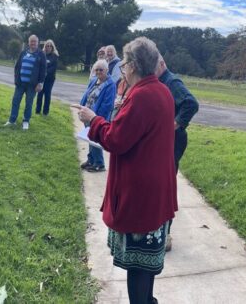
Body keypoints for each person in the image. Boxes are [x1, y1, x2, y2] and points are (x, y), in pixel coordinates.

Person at [75, 37, 177, 304]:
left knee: (137, 264)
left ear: (132, 66)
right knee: (147, 263)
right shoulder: (162, 91)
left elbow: (116, 140)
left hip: (140, 195)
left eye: (124, 65)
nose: (122, 70)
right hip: (156, 190)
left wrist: (93, 119)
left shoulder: (142, 96)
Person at [156, 54, 199, 253]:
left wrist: (176, 123)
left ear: (162, 64)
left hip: (174, 140)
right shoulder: (159, 81)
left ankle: (165, 235)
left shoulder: (171, 81)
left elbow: (191, 103)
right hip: (165, 141)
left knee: (165, 187)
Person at [79, 60, 116, 172]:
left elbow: (108, 105)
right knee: (89, 137)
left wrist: (95, 118)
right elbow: (87, 94)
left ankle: (99, 164)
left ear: (106, 70)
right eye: (97, 70)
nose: (99, 72)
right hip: (88, 114)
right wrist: (81, 108)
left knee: (96, 140)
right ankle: (91, 160)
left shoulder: (110, 85)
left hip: (97, 117)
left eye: (101, 70)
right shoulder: (94, 80)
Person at [5, 35, 46, 130]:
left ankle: (26, 121)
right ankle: (12, 120)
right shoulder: (23, 53)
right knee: (15, 101)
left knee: (29, 104)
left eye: (35, 41)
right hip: (20, 83)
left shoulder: (41, 54)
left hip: (32, 85)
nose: (33, 43)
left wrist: (40, 83)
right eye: (31, 41)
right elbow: (17, 67)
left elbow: (43, 70)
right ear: (29, 42)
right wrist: (16, 79)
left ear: (37, 42)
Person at [35, 39, 60, 116]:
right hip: (41, 79)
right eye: (47, 46)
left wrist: (44, 73)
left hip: (50, 79)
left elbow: (53, 68)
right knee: (40, 94)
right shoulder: (42, 55)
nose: (48, 47)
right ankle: (37, 111)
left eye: (50, 46)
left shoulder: (55, 56)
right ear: (45, 47)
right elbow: (39, 65)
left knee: (47, 95)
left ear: (52, 47)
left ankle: (45, 112)